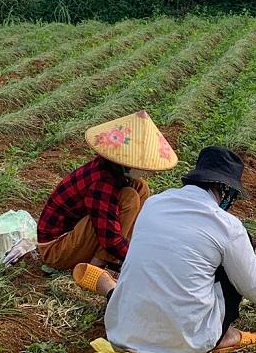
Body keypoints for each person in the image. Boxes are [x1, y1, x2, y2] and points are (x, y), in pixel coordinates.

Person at [104, 146, 256, 353]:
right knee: (234, 257)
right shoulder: (227, 226)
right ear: (222, 188)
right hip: (184, 344)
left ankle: (111, 290)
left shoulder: (153, 205)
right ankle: (224, 336)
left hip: (122, 333)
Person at [37, 110, 176, 292]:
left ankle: (115, 258)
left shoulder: (114, 171)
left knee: (140, 188)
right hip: (55, 249)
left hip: (76, 233)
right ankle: (100, 265)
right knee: (129, 198)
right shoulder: (102, 183)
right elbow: (109, 238)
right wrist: (140, 259)